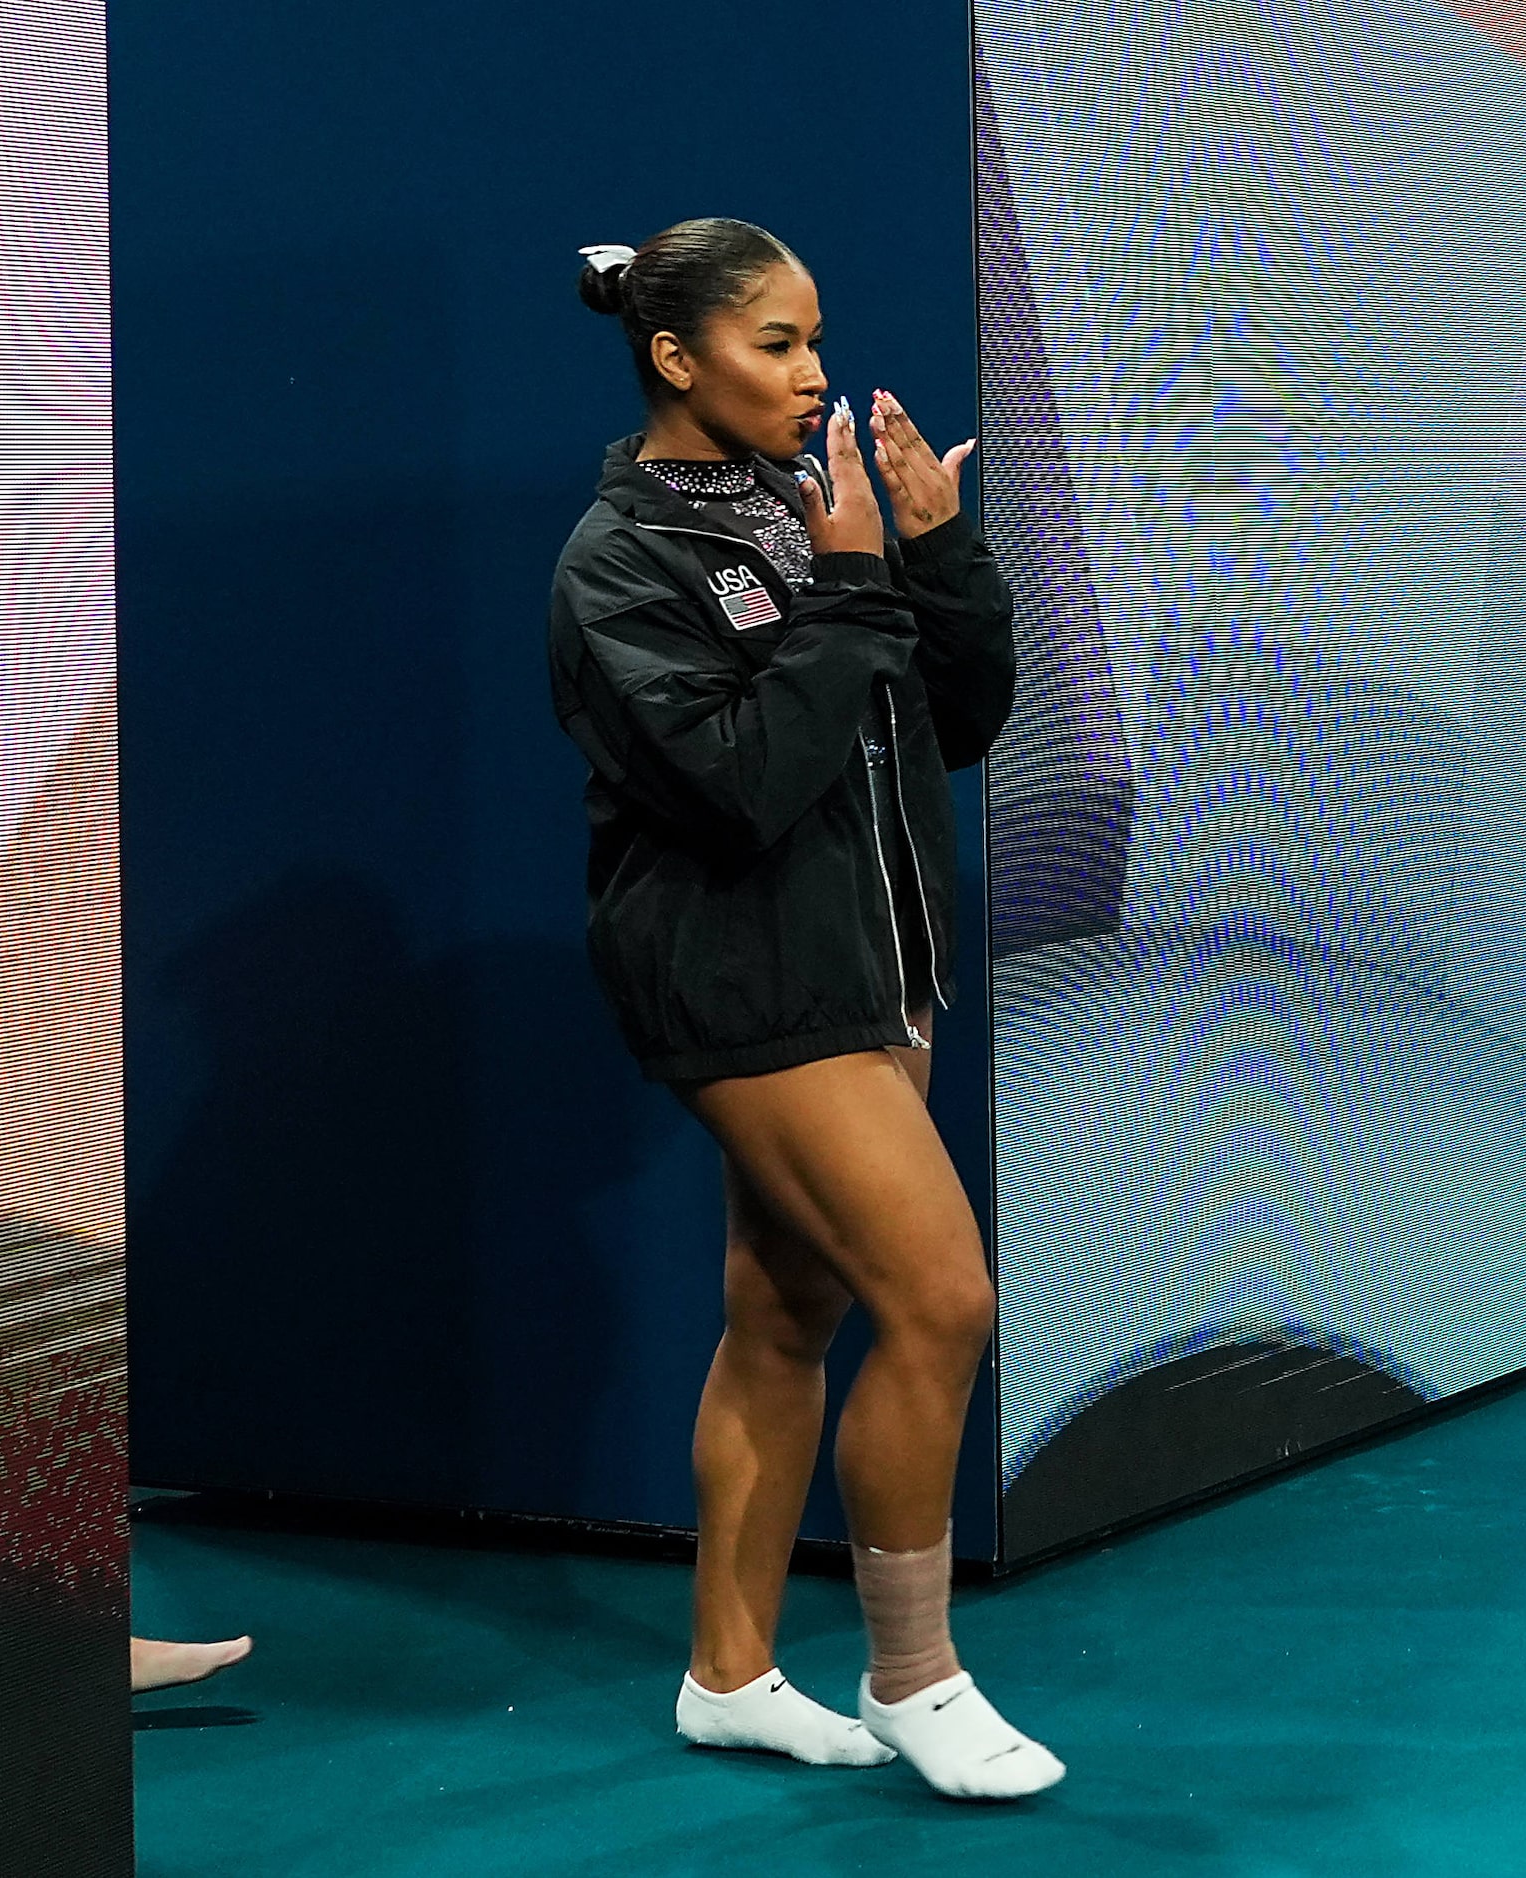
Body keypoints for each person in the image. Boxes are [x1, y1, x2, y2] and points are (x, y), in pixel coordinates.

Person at [547, 218, 1057, 1800]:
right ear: (674, 356)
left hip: (875, 960)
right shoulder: (614, 561)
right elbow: (739, 784)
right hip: (743, 976)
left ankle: (727, 1673)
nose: (813, 370)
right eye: (775, 343)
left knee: (786, 1310)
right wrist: (848, 585)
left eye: (813, 337)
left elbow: (957, 722)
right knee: (941, 1299)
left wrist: (933, 547)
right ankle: (914, 1670)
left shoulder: (804, 506)